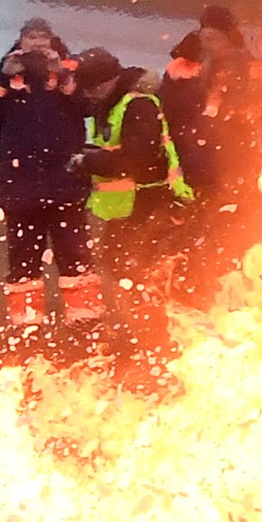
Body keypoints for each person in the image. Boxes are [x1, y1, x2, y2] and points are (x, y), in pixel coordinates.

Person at [0, 17, 100, 337]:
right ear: (21, 41)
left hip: (66, 184)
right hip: (21, 188)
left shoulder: (70, 67)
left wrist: (63, 74)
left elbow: (90, 106)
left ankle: (86, 323)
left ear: (53, 40)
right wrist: (3, 75)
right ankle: (26, 328)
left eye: (42, 38)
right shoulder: (9, 71)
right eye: (31, 38)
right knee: (23, 262)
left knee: (76, 257)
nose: (37, 44)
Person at [70, 47, 194, 352]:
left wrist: (89, 163)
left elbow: (137, 158)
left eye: (93, 89)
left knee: (142, 272)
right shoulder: (114, 105)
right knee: (123, 269)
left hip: (148, 204)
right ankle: (140, 334)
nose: (91, 96)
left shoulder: (138, 106)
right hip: (128, 209)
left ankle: (154, 338)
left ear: (107, 82)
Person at [158, 5, 262, 296]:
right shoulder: (182, 68)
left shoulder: (247, 68)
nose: (209, 44)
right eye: (205, 37)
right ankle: (190, 288)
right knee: (191, 232)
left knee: (230, 231)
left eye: (215, 38)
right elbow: (168, 113)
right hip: (194, 166)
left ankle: (224, 287)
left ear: (228, 38)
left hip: (234, 166)